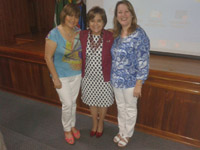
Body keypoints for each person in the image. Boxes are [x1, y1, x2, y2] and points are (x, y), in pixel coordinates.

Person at [111, 0, 150, 147]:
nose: (123, 15)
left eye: (126, 11)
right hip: (116, 80)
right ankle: (121, 131)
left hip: (131, 81)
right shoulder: (115, 34)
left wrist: (139, 83)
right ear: (116, 16)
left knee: (130, 108)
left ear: (132, 14)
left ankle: (127, 134)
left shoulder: (139, 34)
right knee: (120, 107)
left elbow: (143, 61)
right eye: (120, 12)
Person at [44, 4, 82, 145]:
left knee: (73, 103)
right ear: (63, 15)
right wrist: (55, 78)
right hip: (61, 76)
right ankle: (67, 129)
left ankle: (72, 125)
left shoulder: (79, 31)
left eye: (76, 16)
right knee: (67, 103)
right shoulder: (54, 33)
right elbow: (48, 57)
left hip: (77, 74)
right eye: (70, 15)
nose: (73, 19)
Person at [80, 6, 114, 138]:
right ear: (88, 22)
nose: (95, 24)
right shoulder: (82, 35)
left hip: (104, 78)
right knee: (92, 102)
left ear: (104, 22)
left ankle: (101, 123)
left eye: (99, 21)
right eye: (92, 20)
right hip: (88, 77)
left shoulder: (110, 36)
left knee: (103, 102)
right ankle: (94, 122)